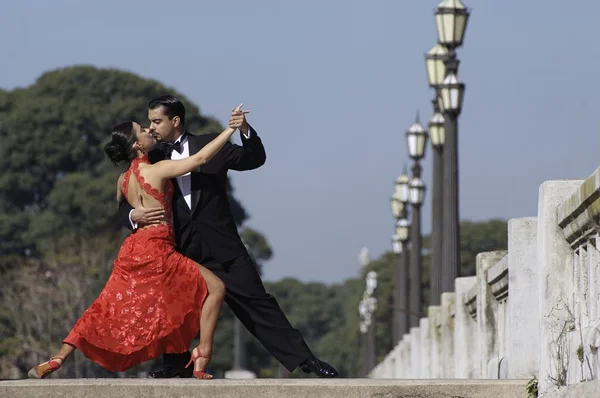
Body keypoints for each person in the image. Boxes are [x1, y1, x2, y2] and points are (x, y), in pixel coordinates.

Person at [119, 95, 338, 378]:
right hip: (180, 249)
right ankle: (175, 365)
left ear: (175, 121)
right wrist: (132, 216)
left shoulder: (212, 144)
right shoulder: (152, 157)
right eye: (148, 122)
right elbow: (126, 199)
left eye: (157, 121)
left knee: (258, 303)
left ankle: (306, 361)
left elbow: (253, 159)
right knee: (173, 306)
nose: (151, 128)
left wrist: (244, 129)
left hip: (224, 247)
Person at [28, 112, 242, 379]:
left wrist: (134, 214)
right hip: (157, 249)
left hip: (132, 249)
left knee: (106, 306)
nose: (149, 130)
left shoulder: (122, 180)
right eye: (142, 130)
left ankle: (58, 357)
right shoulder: (157, 169)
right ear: (137, 145)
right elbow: (200, 159)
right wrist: (229, 130)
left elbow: (122, 209)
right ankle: (203, 353)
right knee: (216, 288)